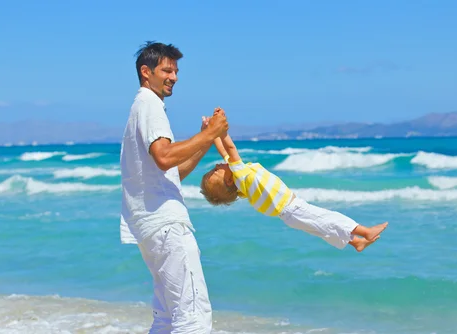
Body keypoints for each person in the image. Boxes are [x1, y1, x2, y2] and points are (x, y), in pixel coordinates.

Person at [120, 41, 228, 333]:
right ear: (146, 72)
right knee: (193, 318)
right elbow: (165, 156)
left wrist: (206, 139)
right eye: (167, 70)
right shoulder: (150, 104)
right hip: (167, 227)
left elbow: (171, 172)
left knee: (167, 319)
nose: (174, 77)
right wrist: (211, 134)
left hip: (151, 228)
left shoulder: (141, 107)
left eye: (176, 71)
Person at [199, 110, 388, 252]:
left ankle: (356, 242)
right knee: (328, 219)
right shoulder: (239, 173)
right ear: (229, 181)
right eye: (216, 170)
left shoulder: (238, 179)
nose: (217, 165)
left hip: (288, 213)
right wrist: (221, 129)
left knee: (322, 228)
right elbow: (230, 148)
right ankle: (364, 232)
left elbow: (223, 151)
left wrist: (209, 132)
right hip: (292, 208)